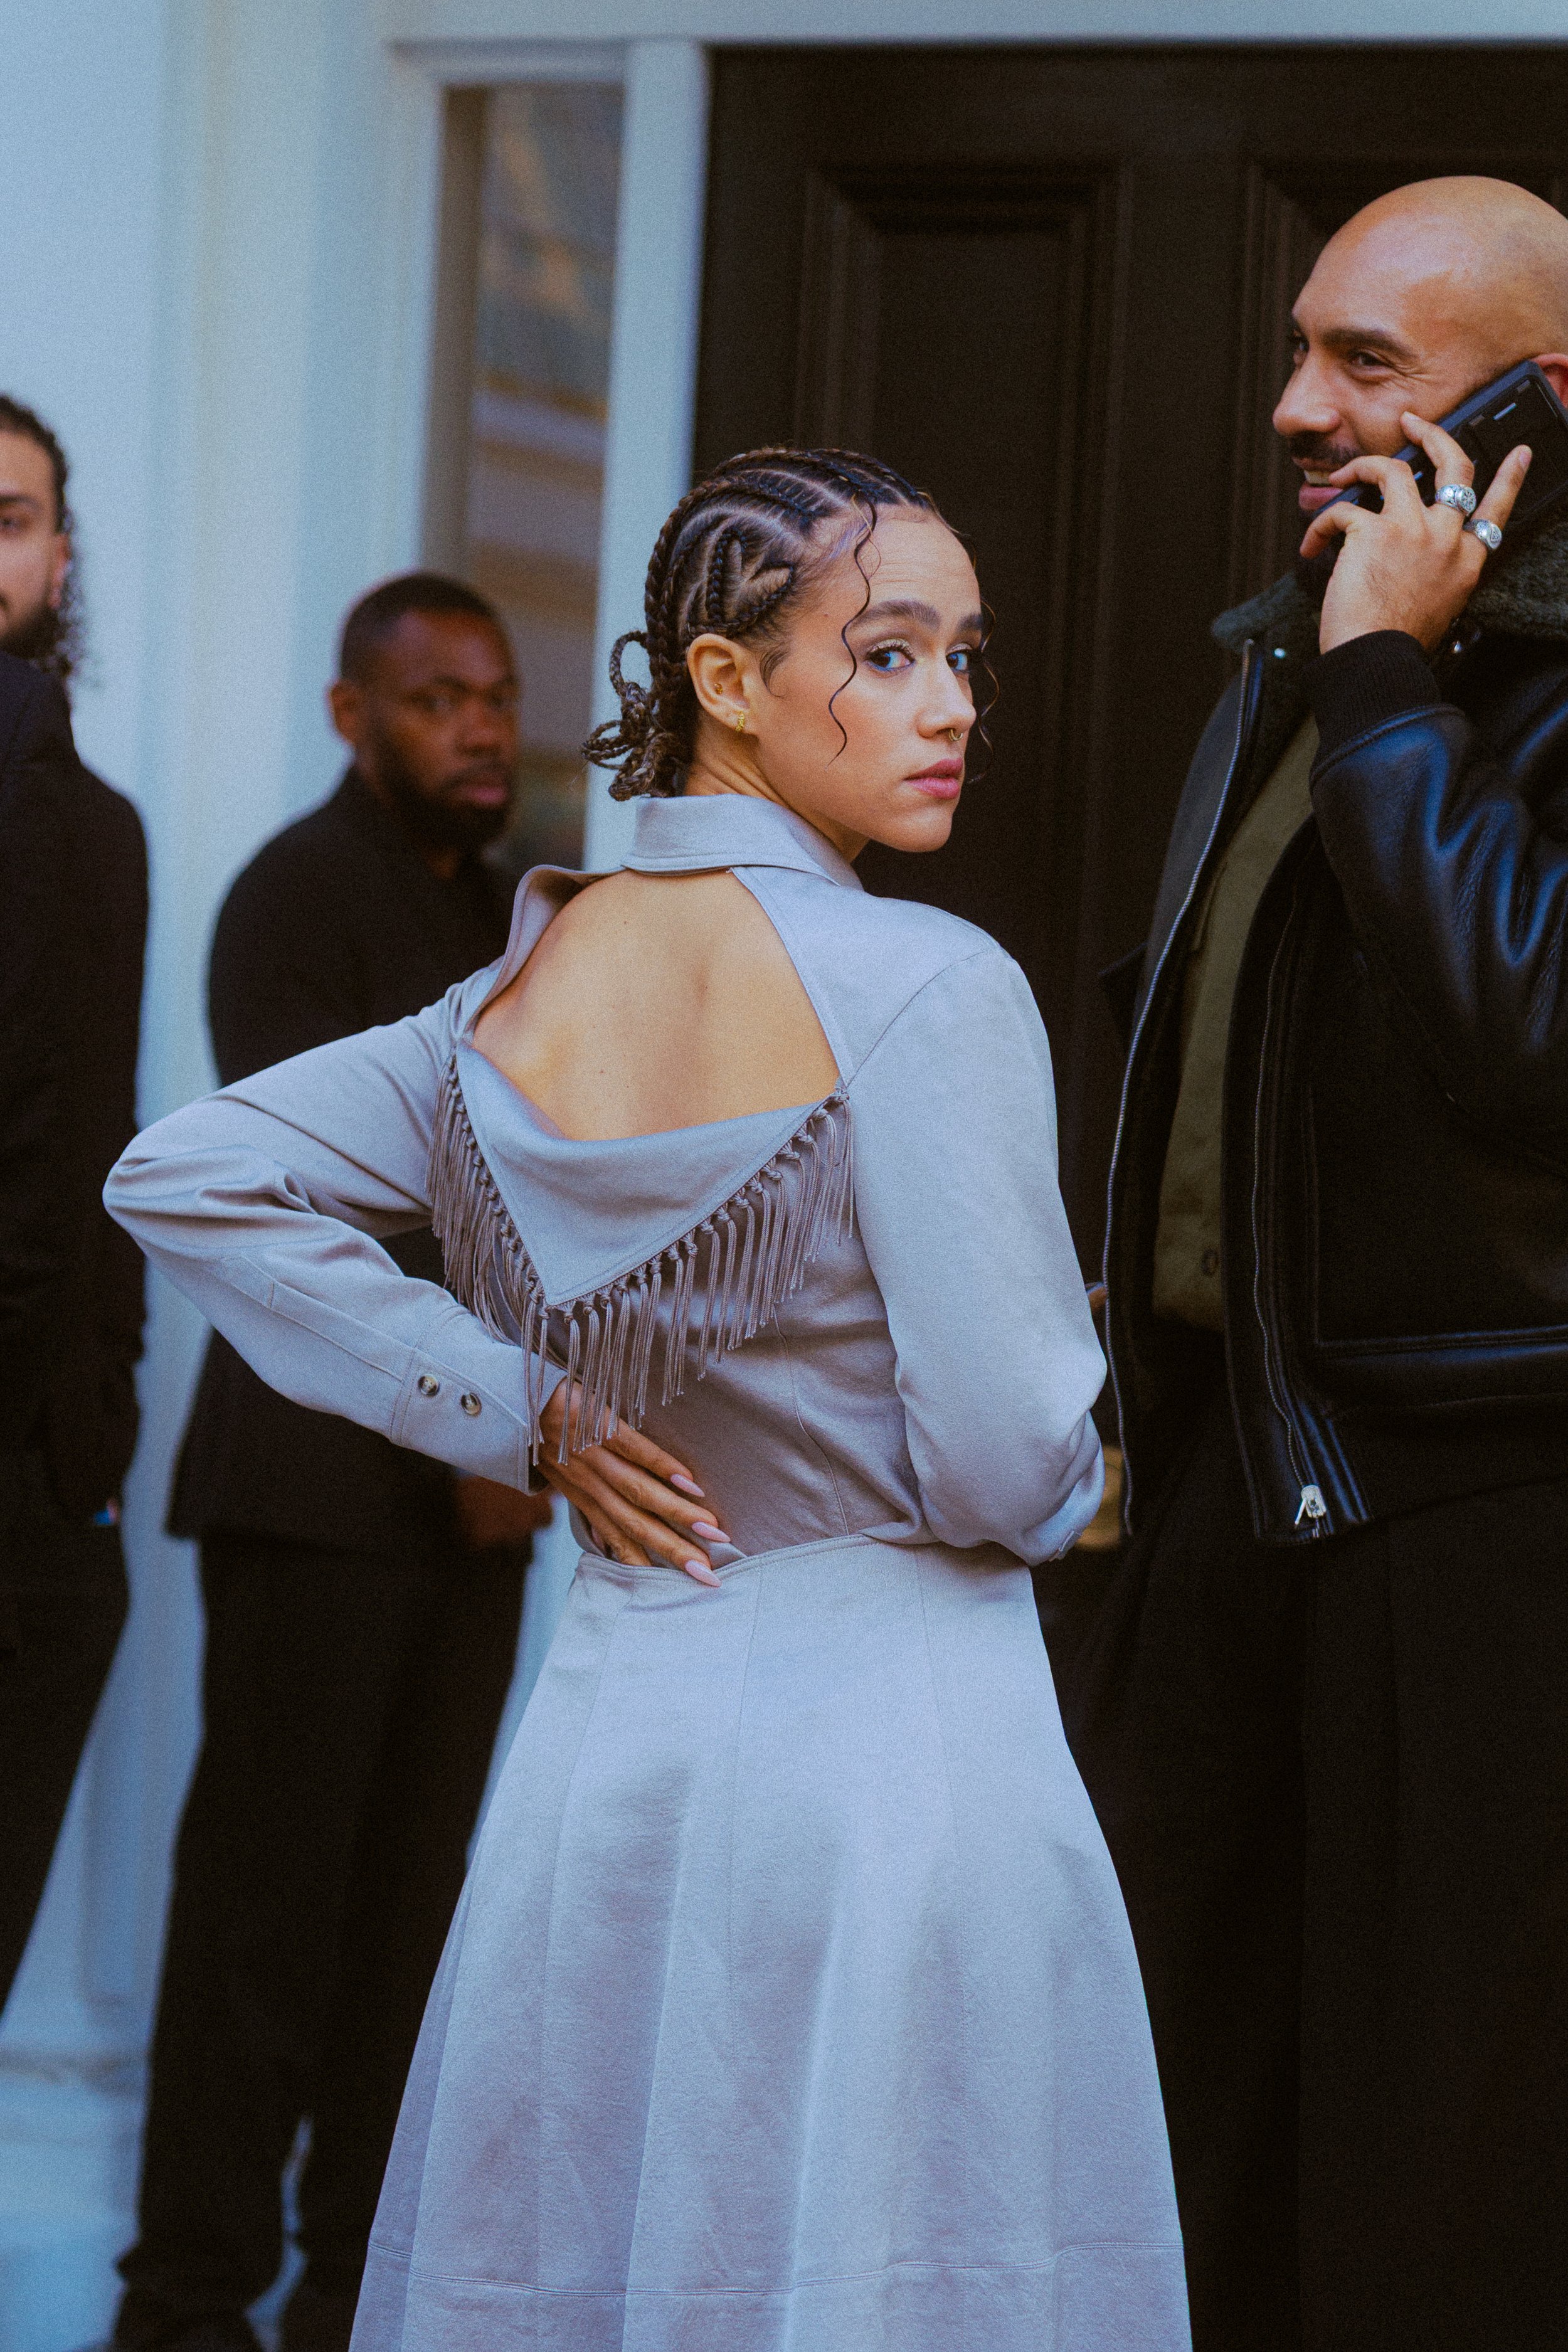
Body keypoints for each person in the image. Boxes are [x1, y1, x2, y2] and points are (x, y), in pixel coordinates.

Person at [107, 449, 1191, 2352]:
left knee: (601, 2271)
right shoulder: (927, 983)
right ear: (722, 677)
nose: (951, 708)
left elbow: (185, 1174)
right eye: (888, 652)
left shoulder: (505, 997)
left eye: (967, 660)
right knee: (889, 2277)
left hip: (618, 1746)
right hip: (899, 1745)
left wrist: (516, 1406)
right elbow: (1012, 1464)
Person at [1065, 177, 1568, 2352]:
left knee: (1424, 2177)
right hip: (1223, 1491)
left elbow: (1525, 1032)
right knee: (1164, 2120)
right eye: (1300, 348)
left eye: (1367, 363)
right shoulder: (1308, 638)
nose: (1293, 404)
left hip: (1473, 1517)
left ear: (1548, 391)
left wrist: (1389, 680)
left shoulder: (1386, 662)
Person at [111, 575, 548, 2352]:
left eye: (497, 698)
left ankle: (348, 2306)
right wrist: (479, 1418)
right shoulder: (293, 895)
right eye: (438, 701)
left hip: (481, 1505)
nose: (480, 730)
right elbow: (317, 1194)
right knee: (263, 1929)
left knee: (407, 1932)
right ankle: (186, 2309)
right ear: (349, 714)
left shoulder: (516, 912)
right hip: (314, 1493)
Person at [0, 395, 147, 2011]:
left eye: (14, 517)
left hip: (39, 1489)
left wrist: (89, 1428)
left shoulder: (88, 825)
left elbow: (72, 1152)